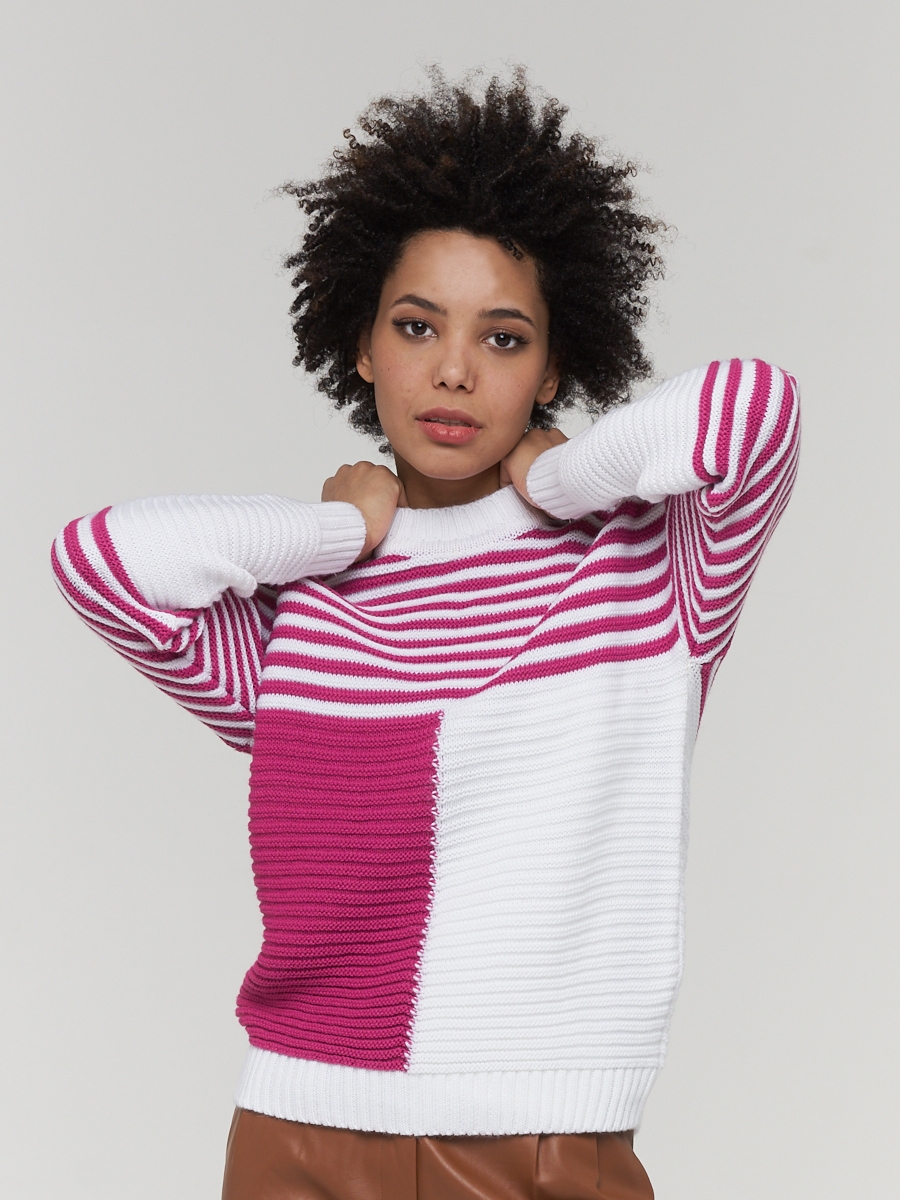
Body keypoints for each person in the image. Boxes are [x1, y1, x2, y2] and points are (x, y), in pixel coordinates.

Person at [52, 70, 799, 1200]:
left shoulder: (647, 573)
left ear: (553, 366)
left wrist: (562, 479)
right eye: (416, 326)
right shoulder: (308, 610)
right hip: (297, 1127)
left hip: (541, 1142)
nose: (454, 369)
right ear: (362, 346)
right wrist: (336, 530)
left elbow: (754, 408)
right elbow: (100, 561)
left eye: (504, 338)